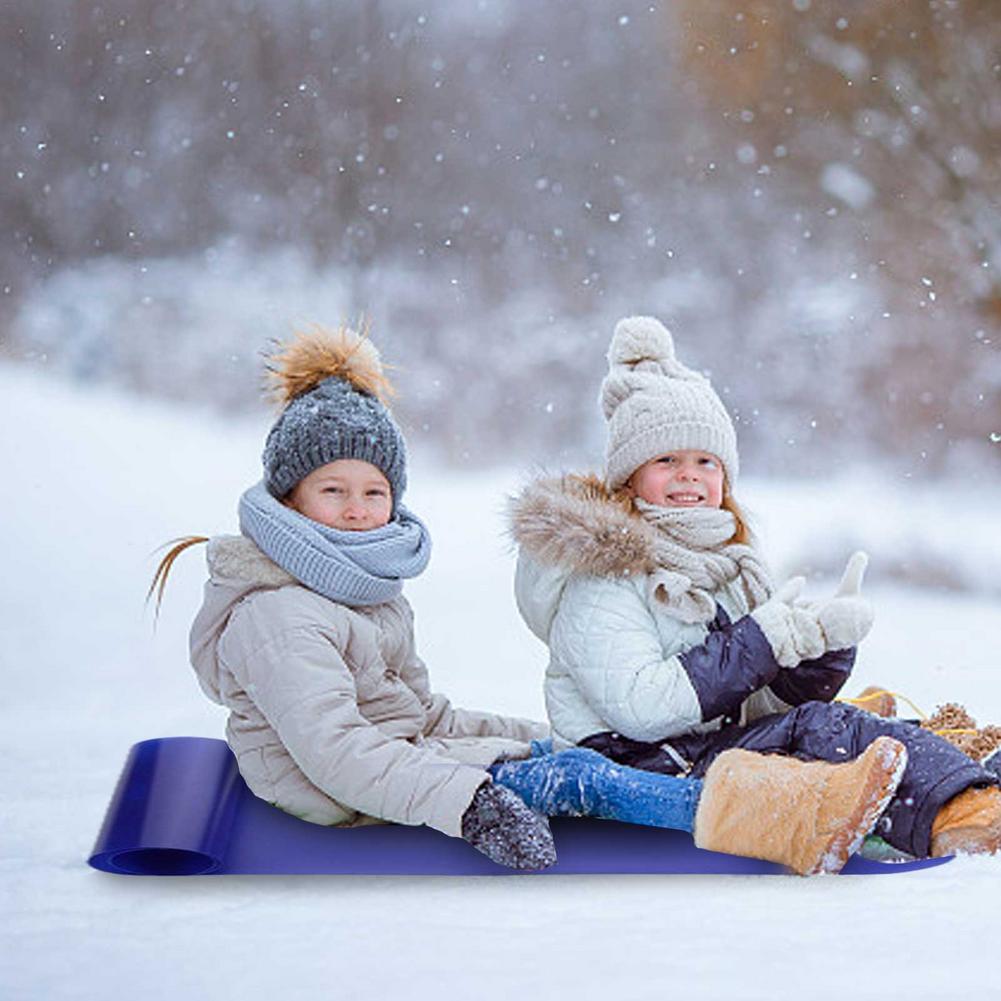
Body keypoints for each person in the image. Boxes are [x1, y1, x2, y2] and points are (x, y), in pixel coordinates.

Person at [152, 323, 910, 875]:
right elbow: (338, 751)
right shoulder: (278, 613)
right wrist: (468, 799)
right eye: (333, 491)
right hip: (328, 793)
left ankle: (840, 785)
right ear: (288, 497)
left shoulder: (358, 593)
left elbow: (422, 718)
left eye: (374, 491)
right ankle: (783, 815)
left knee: (565, 757)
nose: (357, 510)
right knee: (581, 779)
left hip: (403, 761)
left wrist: (532, 737)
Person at [508, 315, 1001, 862]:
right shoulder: (602, 579)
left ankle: (960, 781)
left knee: (841, 725)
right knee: (823, 731)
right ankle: (961, 810)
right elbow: (642, 708)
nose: (689, 475)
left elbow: (750, 704)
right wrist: (761, 642)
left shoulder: (726, 566)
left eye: (705, 461)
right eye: (666, 460)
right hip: (637, 765)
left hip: (694, 746)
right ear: (629, 479)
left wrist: (814, 654)